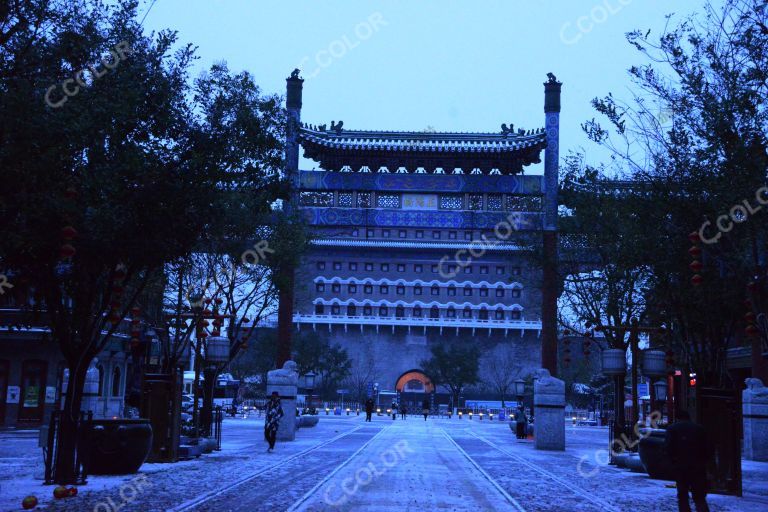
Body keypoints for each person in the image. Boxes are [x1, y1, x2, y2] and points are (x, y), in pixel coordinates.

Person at [665, 410, 710, 512]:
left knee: (682, 495)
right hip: (698, 466)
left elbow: (668, 448)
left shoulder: (673, 429)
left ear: (677, 418)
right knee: (699, 496)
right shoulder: (700, 429)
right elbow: (708, 448)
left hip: (681, 466)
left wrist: (673, 462)